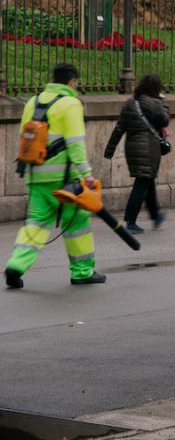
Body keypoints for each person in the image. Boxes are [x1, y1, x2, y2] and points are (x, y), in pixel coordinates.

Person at [5, 63, 105, 289]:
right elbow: (75, 143)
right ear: (72, 82)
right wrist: (86, 174)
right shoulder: (70, 103)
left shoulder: (33, 101)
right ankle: (82, 271)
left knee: (36, 223)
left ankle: (16, 265)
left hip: (36, 175)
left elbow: (25, 136)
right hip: (65, 181)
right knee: (77, 223)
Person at [104, 74, 170, 234]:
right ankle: (130, 221)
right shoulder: (155, 103)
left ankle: (155, 215)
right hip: (148, 147)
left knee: (146, 180)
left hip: (132, 147)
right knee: (142, 182)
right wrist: (163, 102)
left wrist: (110, 150)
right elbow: (165, 119)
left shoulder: (130, 103)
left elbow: (120, 127)